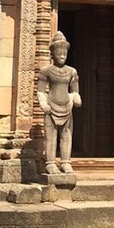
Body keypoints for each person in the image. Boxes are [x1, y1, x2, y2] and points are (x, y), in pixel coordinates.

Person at [36, 31, 81, 175]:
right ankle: (50, 163)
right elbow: (41, 91)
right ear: (52, 53)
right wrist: (43, 103)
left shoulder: (71, 71)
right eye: (59, 53)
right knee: (51, 136)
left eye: (64, 53)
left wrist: (75, 98)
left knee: (66, 136)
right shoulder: (46, 71)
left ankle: (65, 162)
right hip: (51, 106)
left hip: (66, 107)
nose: (62, 56)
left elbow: (75, 91)